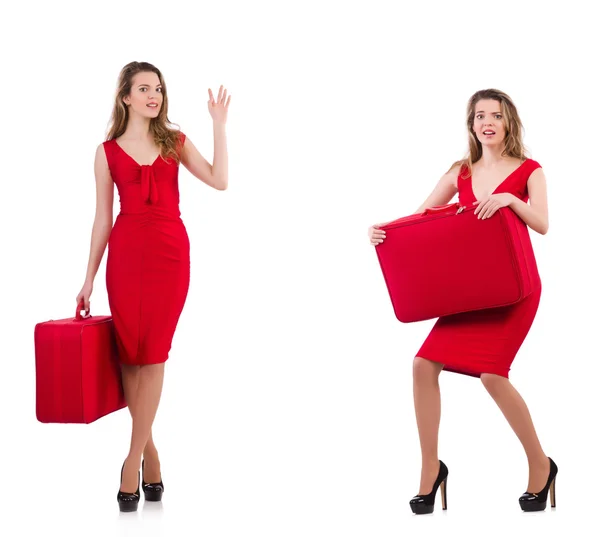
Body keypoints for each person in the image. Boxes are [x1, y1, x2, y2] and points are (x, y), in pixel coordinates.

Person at [368, 89, 557, 514]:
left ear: (509, 122)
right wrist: (384, 232)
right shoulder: (460, 172)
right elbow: (420, 219)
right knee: (422, 364)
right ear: (471, 125)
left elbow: (543, 223)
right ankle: (430, 469)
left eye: (496, 115)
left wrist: (510, 200)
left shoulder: (530, 170)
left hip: (516, 289)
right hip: (473, 292)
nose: (487, 122)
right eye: (479, 116)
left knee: (492, 374)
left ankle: (541, 464)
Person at [75, 61, 231, 512]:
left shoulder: (174, 141)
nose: (153, 96)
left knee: (155, 354)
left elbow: (220, 180)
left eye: (158, 89)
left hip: (169, 256)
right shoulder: (106, 152)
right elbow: (102, 219)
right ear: (125, 96)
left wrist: (218, 126)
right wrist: (87, 278)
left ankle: (130, 461)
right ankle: (151, 454)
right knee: (130, 353)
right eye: (144, 89)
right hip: (125, 256)